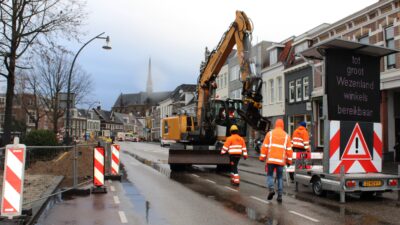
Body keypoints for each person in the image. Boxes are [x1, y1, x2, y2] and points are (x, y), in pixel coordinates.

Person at [259, 119, 292, 202]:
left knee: (270, 175)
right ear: (283, 125)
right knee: (280, 177)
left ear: (275, 125)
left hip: (271, 160)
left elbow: (264, 147)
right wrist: (289, 161)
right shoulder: (286, 136)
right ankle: (280, 196)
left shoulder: (269, 134)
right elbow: (289, 150)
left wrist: (262, 157)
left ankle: (271, 189)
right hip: (280, 161)